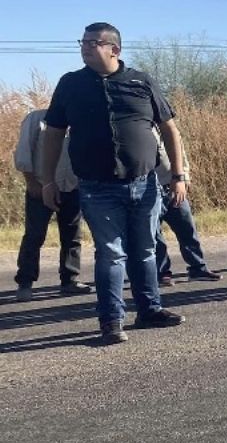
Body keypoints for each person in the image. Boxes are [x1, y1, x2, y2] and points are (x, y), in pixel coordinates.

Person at [41, 22, 186, 344]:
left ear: (114, 49)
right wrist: (48, 180)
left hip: (145, 184)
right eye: (83, 41)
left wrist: (178, 176)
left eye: (93, 42)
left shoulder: (141, 81)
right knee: (111, 254)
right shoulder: (70, 84)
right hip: (97, 186)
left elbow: (170, 129)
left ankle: (149, 310)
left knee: (146, 251)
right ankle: (111, 320)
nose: (85, 46)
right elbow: (52, 134)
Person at [13, 109, 91, 302]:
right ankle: (25, 282)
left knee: (73, 234)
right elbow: (24, 151)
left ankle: (69, 280)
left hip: (72, 185)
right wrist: (31, 182)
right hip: (41, 186)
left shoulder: (80, 120)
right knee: (35, 234)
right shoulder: (37, 119)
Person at [154, 144, 222, 286]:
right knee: (155, 236)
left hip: (172, 184)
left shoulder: (166, 126)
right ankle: (161, 273)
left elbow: (178, 148)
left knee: (187, 228)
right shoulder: (136, 123)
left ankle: (198, 268)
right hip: (150, 188)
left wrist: (183, 176)